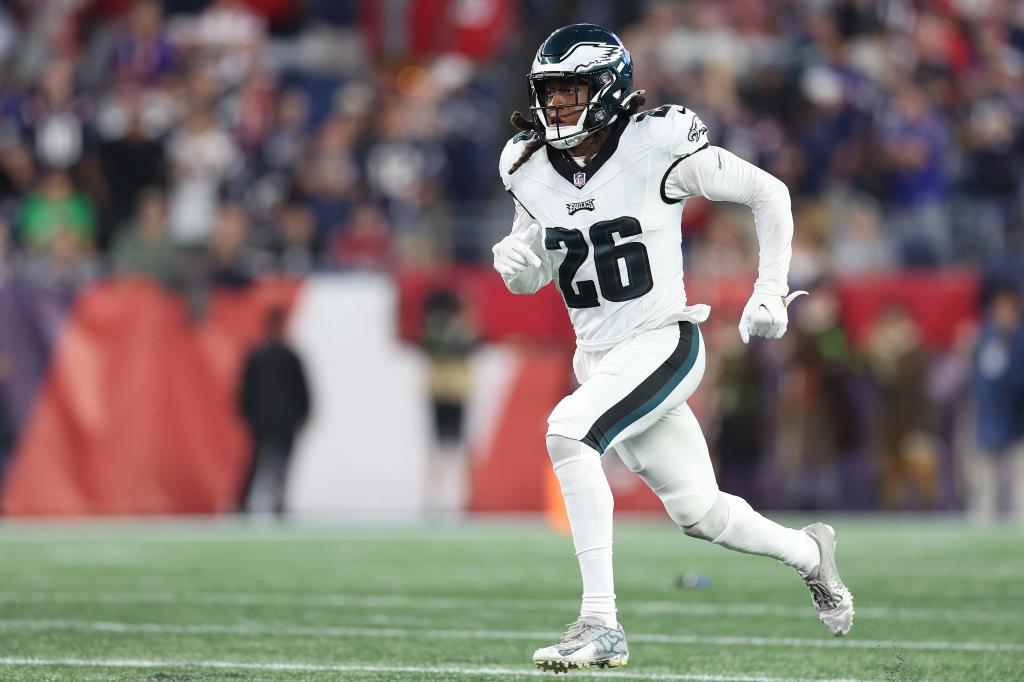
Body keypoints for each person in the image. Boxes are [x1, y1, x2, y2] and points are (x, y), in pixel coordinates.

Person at [491, 24, 853, 672]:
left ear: (606, 90)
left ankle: (600, 622)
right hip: (599, 356)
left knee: (569, 432)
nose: (556, 109)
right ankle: (809, 553)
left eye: (570, 93)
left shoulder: (657, 142)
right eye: (549, 94)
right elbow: (538, 269)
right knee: (698, 512)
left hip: (662, 340)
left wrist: (770, 290)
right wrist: (516, 266)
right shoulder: (529, 166)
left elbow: (769, 192)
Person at [237, 307, 310, 516]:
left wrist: (303, 413)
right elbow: (245, 390)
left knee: (281, 465)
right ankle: (244, 503)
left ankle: (277, 502)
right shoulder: (259, 357)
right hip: (265, 420)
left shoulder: (289, 357)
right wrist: (247, 414)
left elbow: (301, 388)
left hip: (282, 420)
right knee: (256, 464)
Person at [968, 284, 1024, 520]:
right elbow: (977, 377)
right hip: (989, 416)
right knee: (984, 481)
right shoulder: (985, 337)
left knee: (1019, 480)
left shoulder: (1020, 340)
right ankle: (982, 520)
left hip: (1017, 418)